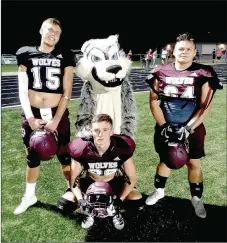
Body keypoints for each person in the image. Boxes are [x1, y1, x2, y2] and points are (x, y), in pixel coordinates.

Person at [145, 33, 223, 218]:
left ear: (195, 51)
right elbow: (154, 102)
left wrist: (188, 128)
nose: (184, 52)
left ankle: (196, 199)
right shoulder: (161, 70)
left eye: (189, 49)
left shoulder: (204, 72)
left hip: (192, 127)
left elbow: (205, 106)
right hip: (166, 125)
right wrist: (164, 126)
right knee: (166, 159)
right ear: (174, 51)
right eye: (181, 48)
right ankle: (159, 191)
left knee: (193, 162)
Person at [13, 18, 75, 215]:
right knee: (32, 157)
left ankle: (72, 190)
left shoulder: (65, 55)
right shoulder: (26, 53)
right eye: (50, 29)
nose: (54, 33)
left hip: (58, 113)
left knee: (65, 156)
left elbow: (67, 92)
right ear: (41, 30)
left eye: (58, 31)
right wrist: (30, 118)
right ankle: (29, 195)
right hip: (33, 113)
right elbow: (23, 90)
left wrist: (56, 120)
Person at [60, 114, 143, 230]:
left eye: (105, 130)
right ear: (91, 131)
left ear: (111, 131)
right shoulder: (81, 148)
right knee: (65, 203)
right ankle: (89, 212)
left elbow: (131, 178)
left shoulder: (122, 147)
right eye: (97, 130)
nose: (100, 135)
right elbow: (74, 180)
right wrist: (80, 200)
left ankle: (115, 211)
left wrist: (120, 199)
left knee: (136, 199)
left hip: (113, 182)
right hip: (90, 182)